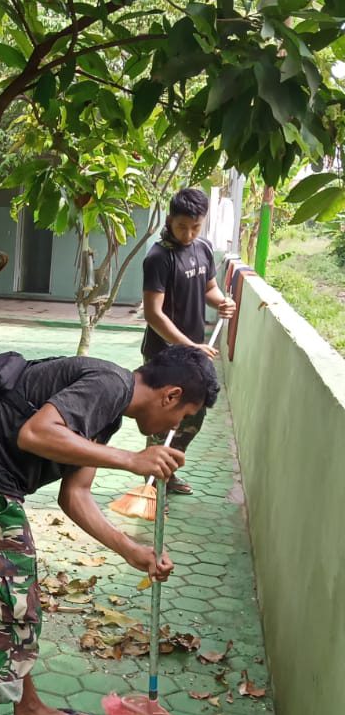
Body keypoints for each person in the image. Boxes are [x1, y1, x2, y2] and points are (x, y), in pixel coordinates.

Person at [0, 345, 219, 715]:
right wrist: (131, 461)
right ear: (171, 395)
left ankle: (28, 712)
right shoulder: (111, 384)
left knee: (11, 605)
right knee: (11, 617)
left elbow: (75, 495)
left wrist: (131, 550)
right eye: (182, 417)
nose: (174, 428)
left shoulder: (110, 410)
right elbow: (35, 434)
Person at [141, 187, 236, 495]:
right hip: (164, 356)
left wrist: (221, 302)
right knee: (162, 421)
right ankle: (151, 487)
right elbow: (154, 314)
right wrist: (189, 346)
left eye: (195, 227)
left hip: (192, 354)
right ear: (170, 220)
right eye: (182, 227)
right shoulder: (158, 257)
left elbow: (208, 288)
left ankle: (166, 474)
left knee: (193, 415)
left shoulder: (203, 248)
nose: (188, 234)